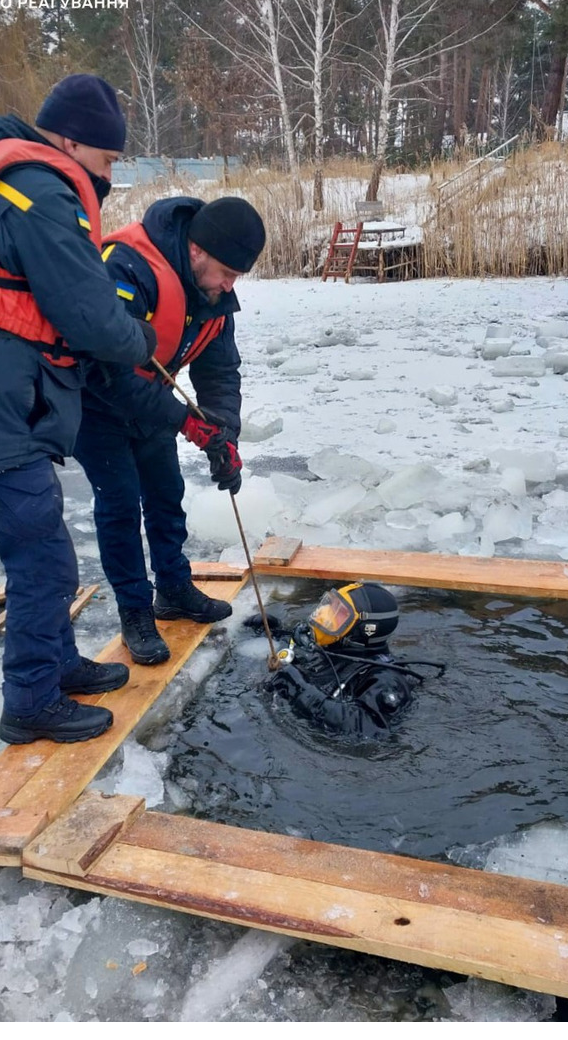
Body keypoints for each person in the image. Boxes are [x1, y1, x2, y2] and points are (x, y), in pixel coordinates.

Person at [0, 74, 158, 745]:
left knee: (44, 542)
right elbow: (91, 316)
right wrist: (143, 341)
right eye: (105, 162)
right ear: (72, 140)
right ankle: (31, 702)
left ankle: (55, 663)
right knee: (42, 558)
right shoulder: (39, 189)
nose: (106, 178)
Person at [74, 196, 261, 665]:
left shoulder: (213, 296)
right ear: (196, 250)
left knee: (165, 494)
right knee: (119, 504)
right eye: (225, 272)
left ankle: (174, 588)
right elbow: (107, 373)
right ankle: (135, 610)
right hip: (95, 403)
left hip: (150, 403)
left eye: (236, 277)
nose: (228, 284)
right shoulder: (127, 267)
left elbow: (220, 374)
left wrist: (224, 435)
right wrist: (185, 421)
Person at [265, 583, 444, 737]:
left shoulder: (386, 679)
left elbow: (365, 727)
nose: (323, 614)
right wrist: (273, 631)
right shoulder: (333, 649)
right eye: (330, 605)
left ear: (364, 630)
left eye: (339, 613)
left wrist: (297, 688)